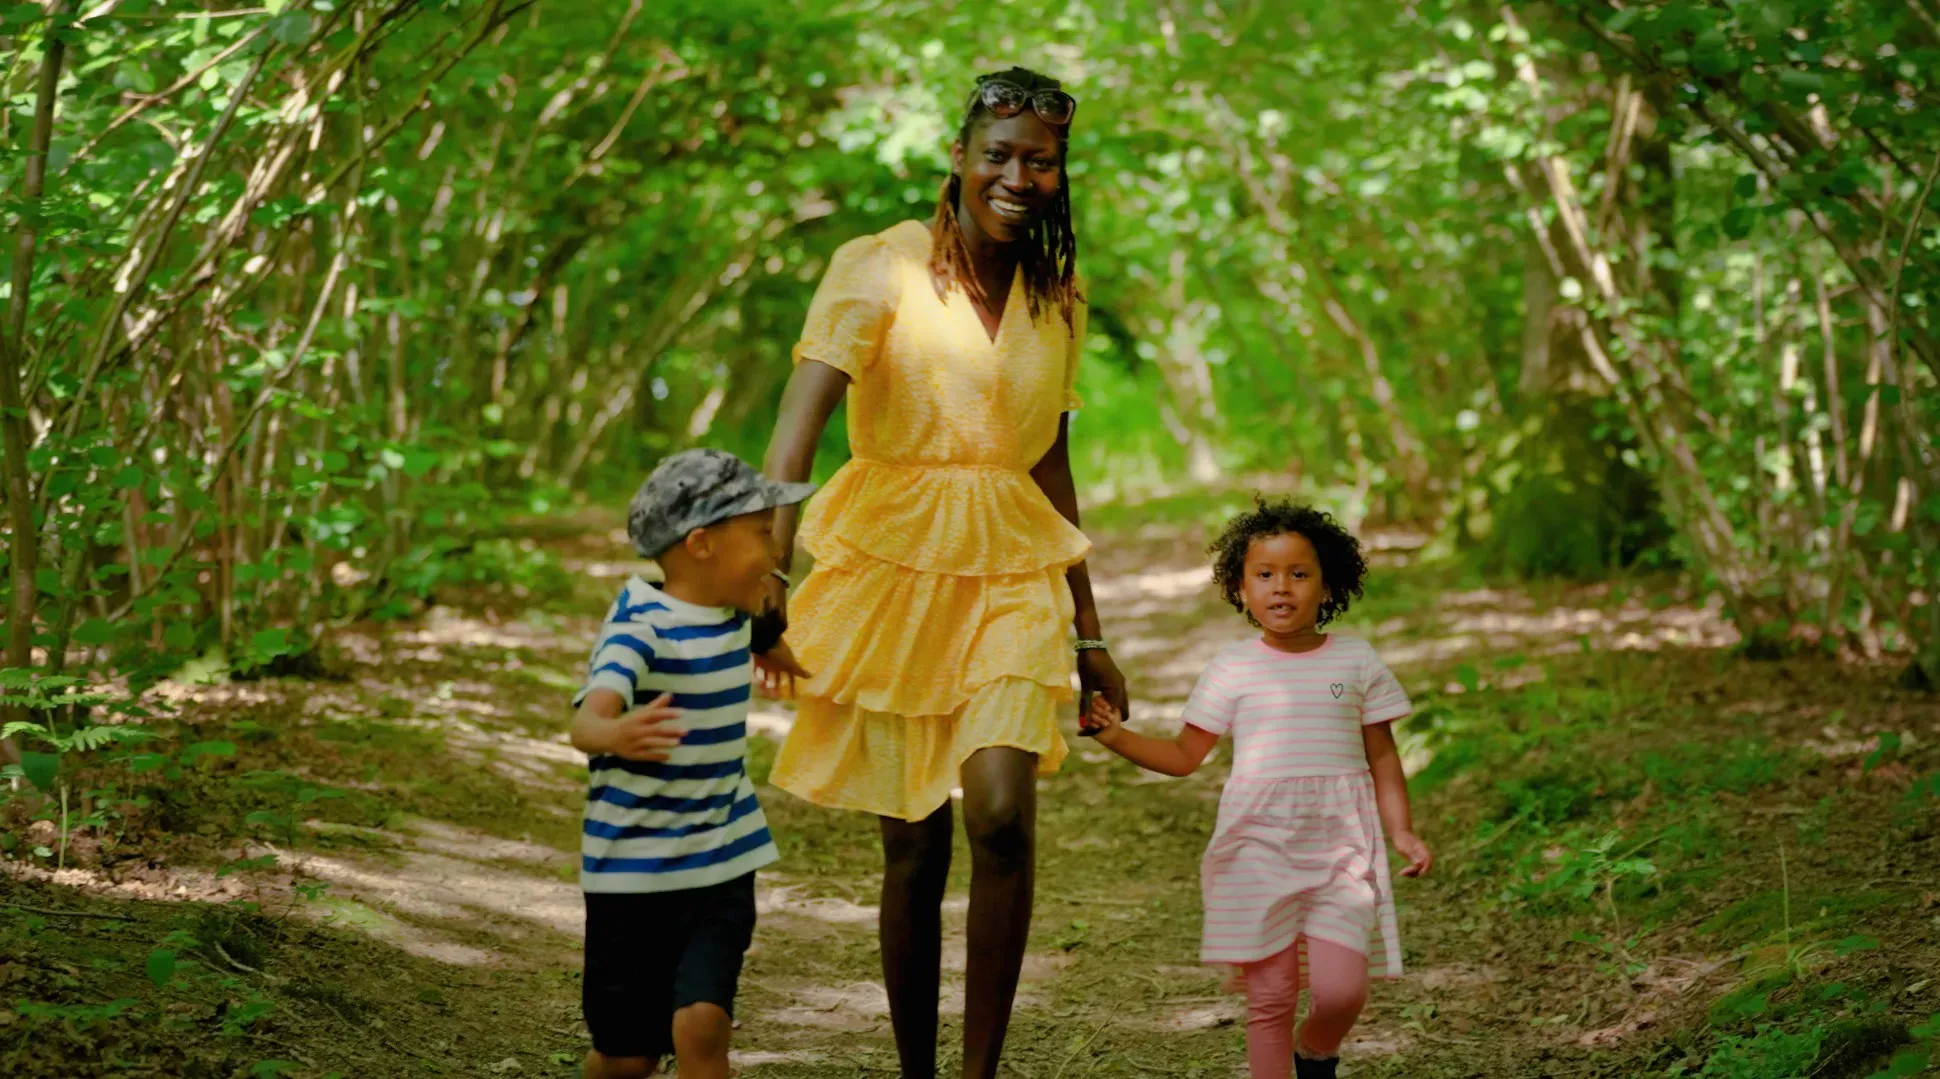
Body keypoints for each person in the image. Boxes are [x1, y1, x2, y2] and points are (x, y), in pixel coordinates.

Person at [759, 67, 1129, 1079]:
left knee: (1001, 813)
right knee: (915, 847)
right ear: (959, 159)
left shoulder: (1059, 294)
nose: (1017, 175)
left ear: (1058, 172)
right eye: (998, 154)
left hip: (1011, 564)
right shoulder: (875, 266)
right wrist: (768, 565)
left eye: (1039, 160)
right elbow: (801, 421)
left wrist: (1089, 629)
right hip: (895, 560)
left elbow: (1045, 454)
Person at [1081, 499, 1432, 1079]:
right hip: (1256, 850)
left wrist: (1401, 830)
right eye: (1264, 575)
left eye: (1299, 574)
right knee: (1269, 1000)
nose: (1282, 588)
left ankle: (1315, 1051)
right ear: (1241, 589)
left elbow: (1383, 755)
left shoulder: (1357, 659)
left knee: (1342, 992)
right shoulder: (1231, 668)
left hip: (1341, 848)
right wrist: (1116, 737)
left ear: (1327, 584)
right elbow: (1184, 755)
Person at [567, 448, 816, 1079]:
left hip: (720, 862)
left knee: (702, 1028)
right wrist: (613, 732)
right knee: (628, 1058)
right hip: (630, 876)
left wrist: (780, 654)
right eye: (761, 534)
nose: (773, 551)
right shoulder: (638, 630)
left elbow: (756, 630)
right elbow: (586, 720)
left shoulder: (736, 607)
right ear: (702, 544)